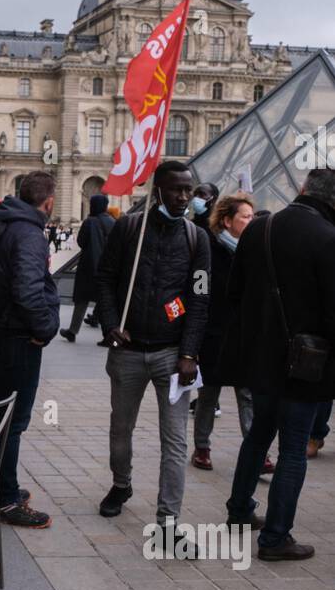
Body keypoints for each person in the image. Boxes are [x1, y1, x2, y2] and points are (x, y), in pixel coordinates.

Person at [219, 169, 335, 561]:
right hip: (306, 365)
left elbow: (234, 294)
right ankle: (275, 537)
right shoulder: (328, 238)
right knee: (292, 452)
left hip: (259, 358)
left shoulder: (260, 230)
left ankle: (238, 511)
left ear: (302, 189)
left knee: (257, 436)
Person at [96, 161, 210, 552]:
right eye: (176, 190)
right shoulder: (129, 229)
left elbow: (199, 299)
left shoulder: (198, 239)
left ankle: (168, 522)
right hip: (127, 351)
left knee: (175, 441)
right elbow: (106, 280)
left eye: (188, 191)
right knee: (120, 431)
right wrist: (111, 323)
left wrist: (190, 352)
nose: (183, 197)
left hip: (172, 356)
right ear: (157, 190)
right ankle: (121, 484)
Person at [0, 171, 59, 527]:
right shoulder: (29, 233)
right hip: (18, 337)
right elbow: (27, 289)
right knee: (14, 421)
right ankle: (6, 500)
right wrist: (44, 329)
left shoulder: (1, 223)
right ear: (49, 201)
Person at [191, 193, 263, 471]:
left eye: (251, 215)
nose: (251, 220)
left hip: (244, 333)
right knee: (209, 394)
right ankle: (202, 447)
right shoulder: (207, 247)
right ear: (226, 220)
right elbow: (199, 290)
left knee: (247, 394)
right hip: (214, 333)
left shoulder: (255, 247)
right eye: (245, 216)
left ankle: (256, 451)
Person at [60, 194, 115, 341]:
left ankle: (73, 331)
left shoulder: (89, 222)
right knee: (104, 301)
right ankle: (109, 335)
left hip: (88, 266)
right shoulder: (112, 222)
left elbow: (81, 242)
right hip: (107, 268)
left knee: (82, 300)